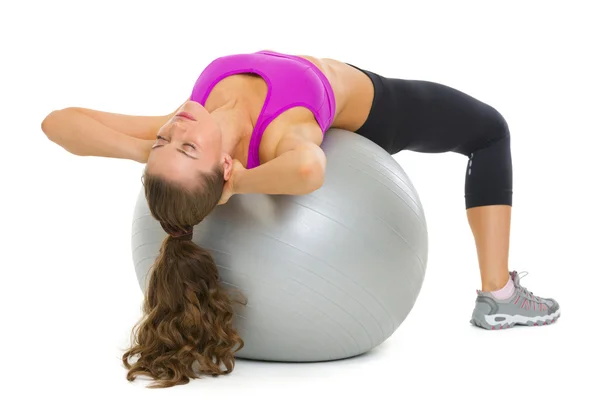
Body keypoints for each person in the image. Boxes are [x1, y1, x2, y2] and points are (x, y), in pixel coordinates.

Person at [41, 49, 560, 388]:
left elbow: (57, 122)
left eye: (168, 141)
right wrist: (238, 182)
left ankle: (499, 295)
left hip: (330, 79)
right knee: (490, 131)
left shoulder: (187, 120)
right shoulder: (280, 133)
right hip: (381, 109)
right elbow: (310, 170)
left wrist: (147, 151)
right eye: (187, 145)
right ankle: (499, 296)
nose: (177, 127)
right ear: (221, 165)